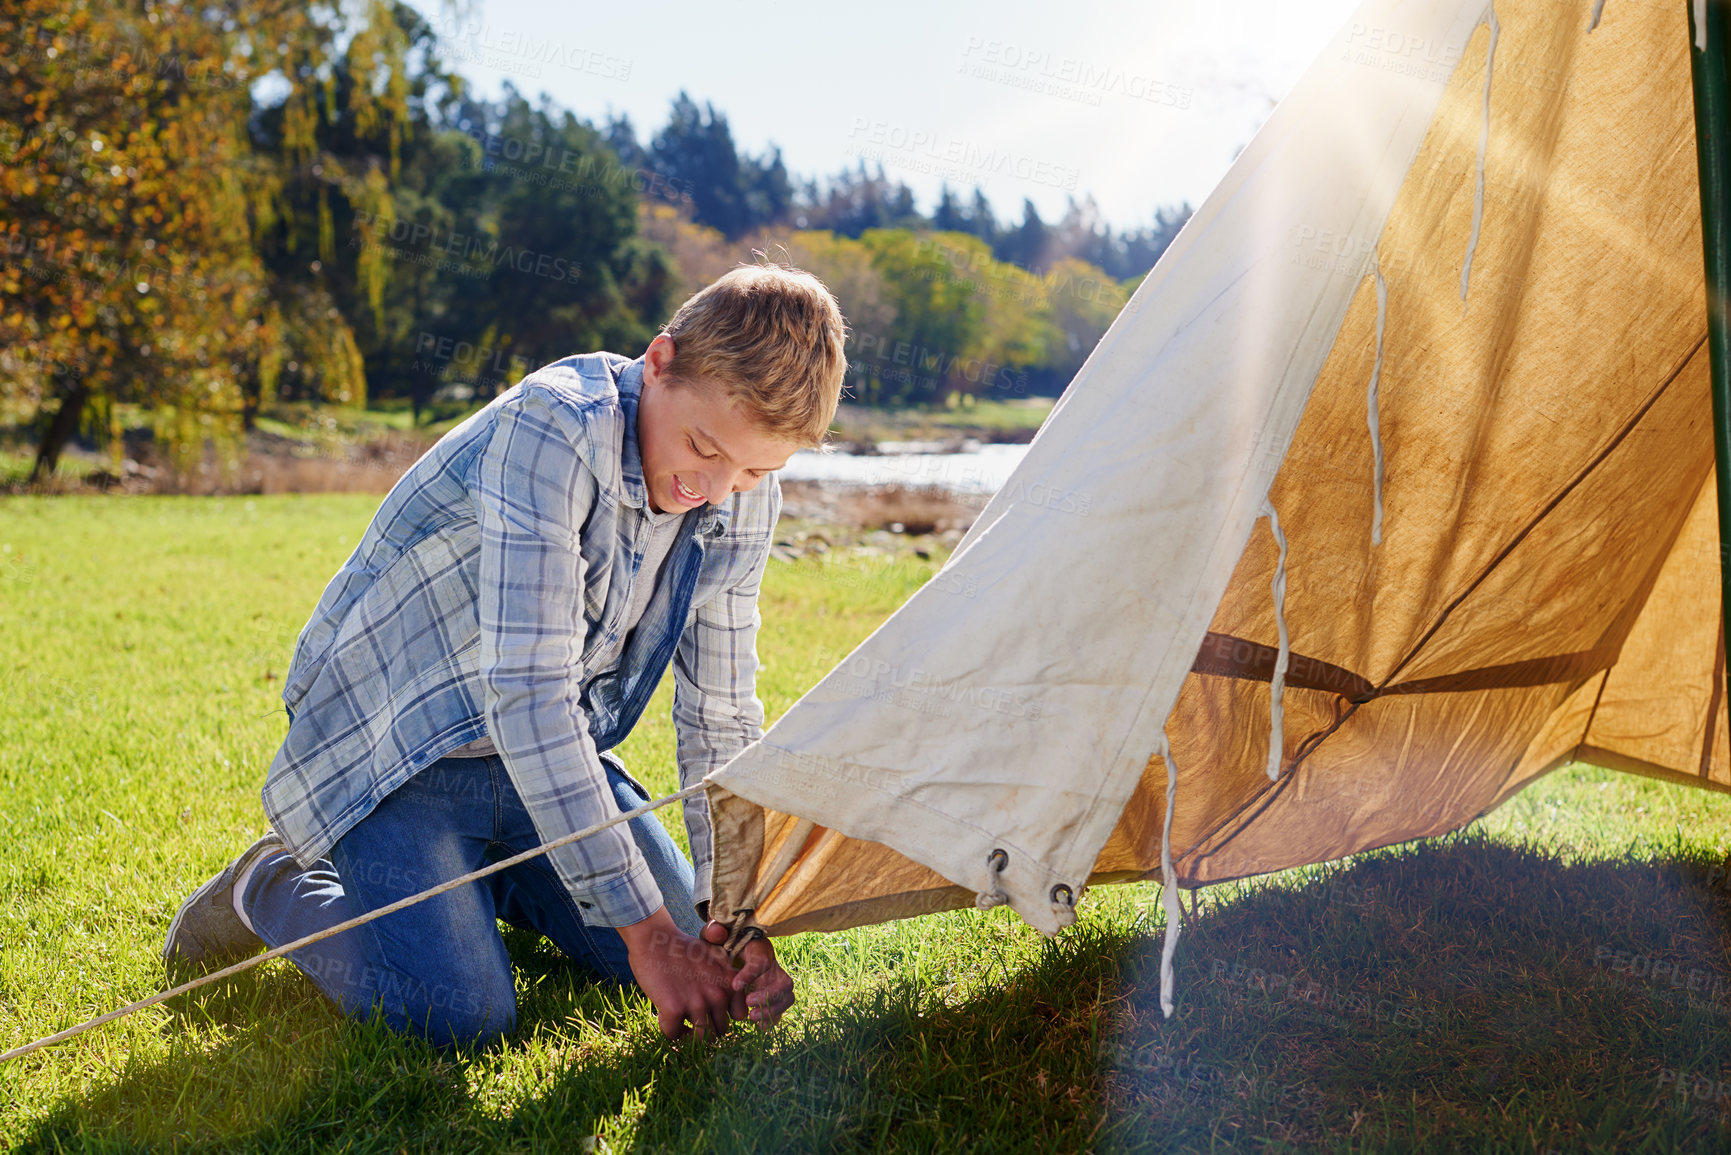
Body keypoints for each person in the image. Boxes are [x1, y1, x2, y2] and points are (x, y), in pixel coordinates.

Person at [161, 264, 848, 1048]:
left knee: (683, 954)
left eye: (757, 469)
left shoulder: (740, 496)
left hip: (541, 763)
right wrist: (650, 933)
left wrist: (732, 913)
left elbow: (718, 713)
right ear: (658, 363)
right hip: (401, 750)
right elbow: (530, 695)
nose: (716, 489)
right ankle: (273, 884)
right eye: (702, 447)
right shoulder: (552, 429)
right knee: (461, 1016)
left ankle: (473, 885)